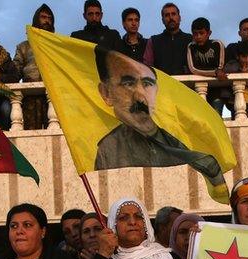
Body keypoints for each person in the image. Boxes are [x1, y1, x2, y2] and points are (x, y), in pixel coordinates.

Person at [93, 45, 226, 189]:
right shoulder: (109, 149)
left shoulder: (182, 135)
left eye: (147, 84)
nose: (140, 98)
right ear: (106, 93)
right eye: (128, 83)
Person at [14, 4, 56, 130]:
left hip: (52, 94)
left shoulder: (56, 45)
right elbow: (15, 70)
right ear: (36, 19)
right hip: (29, 94)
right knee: (31, 131)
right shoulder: (24, 46)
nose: (46, 20)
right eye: (43, 17)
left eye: (49, 18)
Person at [186, 17, 228, 114]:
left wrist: (217, 71)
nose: (198, 37)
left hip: (217, 90)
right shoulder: (191, 47)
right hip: (198, 90)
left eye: (201, 33)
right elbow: (193, 69)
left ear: (209, 33)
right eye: (195, 34)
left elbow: (220, 67)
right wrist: (215, 72)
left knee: (216, 115)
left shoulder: (217, 44)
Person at [143, 3, 191, 75]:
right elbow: (147, 68)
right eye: (167, 15)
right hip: (162, 84)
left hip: (186, 84)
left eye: (173, 14)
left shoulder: (190, 40)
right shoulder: (153, 41)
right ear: (162, 20)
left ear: (179, 18)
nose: (171, 18)